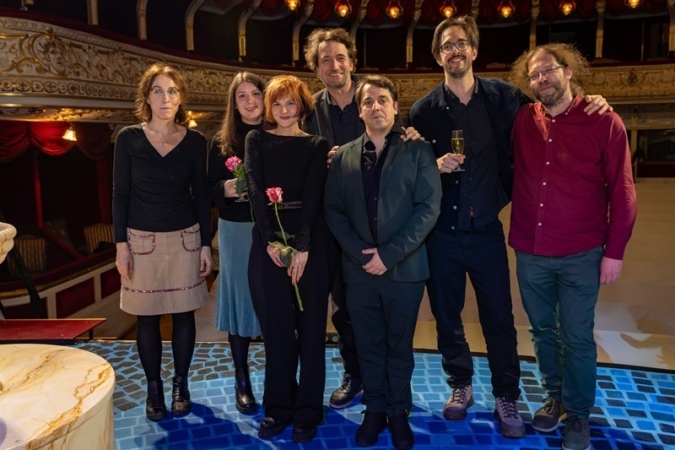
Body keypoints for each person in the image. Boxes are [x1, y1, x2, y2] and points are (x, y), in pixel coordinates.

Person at [408, 15, 611, 438]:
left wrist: (591, 99)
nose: (454, 50)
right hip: (441, 232)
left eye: (461, 43)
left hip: (486, 228)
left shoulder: (504, 98)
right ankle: (460, 384)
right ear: (437, 56)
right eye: (446, 46)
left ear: (474, 50)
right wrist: (430, 162)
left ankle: (506, 395)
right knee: (446, 316)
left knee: (499, 318)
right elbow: (411, 170)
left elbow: (553, 103)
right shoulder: (423, 111)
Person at [508, 43, 637, 450]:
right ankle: (556, 396)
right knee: (542, 331)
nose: (541, 79)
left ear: (568, 71)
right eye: (534, 75)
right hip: (530, 249)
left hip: (581, 251)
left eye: (548, 70)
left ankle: (578, 413)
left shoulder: (605, 121)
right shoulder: (523, 119)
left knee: (576, 336)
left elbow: (624, 193)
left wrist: (614, 251)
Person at [303, 28, 420, 409]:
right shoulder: (308, 109)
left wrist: (411, 136)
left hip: (382, 224)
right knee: (345, 307)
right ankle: (355, 373)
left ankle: (387, 384)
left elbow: (399, 145)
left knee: (385, 309)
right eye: (324, 59)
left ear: (352, 62)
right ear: (316, 68)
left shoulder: (374, 98)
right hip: (333, 221)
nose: (333, 65)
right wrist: (320, 163)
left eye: (340, 57)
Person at [324, 75, 441, 450]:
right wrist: (362, 255)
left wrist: (388, 255)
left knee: (399, 347)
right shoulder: (343, 156)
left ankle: (398, 411)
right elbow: (333, 210)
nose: (375, 106)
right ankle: (374, 409)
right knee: (368, 345)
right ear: (360, 111)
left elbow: (427, 209)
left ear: (395, 106)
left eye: (382, 100)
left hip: (404, 270)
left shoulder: (419, 151)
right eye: (368, 101)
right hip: (358, 271)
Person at [113, 63, 212, 422]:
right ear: (147, 97)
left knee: (184, 315)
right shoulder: (128, 138)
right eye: (157, 90)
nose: (165, 98)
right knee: (147, 318)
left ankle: (180, 385)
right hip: (141, 242)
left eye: (172, 91)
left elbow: (201, 196)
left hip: (186, 239)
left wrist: (205, 244)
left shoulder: (195, 141)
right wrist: (120, 245)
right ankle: (153, 389)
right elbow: (120, 194)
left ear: (181, 98)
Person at [245, 75, 336, 443]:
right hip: (268, 241)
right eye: (277, 103)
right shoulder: (256, 140)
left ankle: (308, 410)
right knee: (277, 329)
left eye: (290, 103)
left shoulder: (316, 144)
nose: (284, 110)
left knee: (312, 328)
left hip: (310, 241)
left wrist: (302, 247)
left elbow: (314, 197)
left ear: (302, 106)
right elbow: (255, 189)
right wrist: (270, 240)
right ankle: (279, 406)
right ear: (270, 107)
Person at [205, 72, 265, 415]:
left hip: (273, 227)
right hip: (236, 229)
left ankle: (279, 377)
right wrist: (224, 189)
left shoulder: (277, 132)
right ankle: (241, 379)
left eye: (255, 93)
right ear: (234, 102)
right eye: (242, 95)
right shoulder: (220, 141)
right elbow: (207, 187)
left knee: (274, 301)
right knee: (241, 301)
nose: (250, 101)